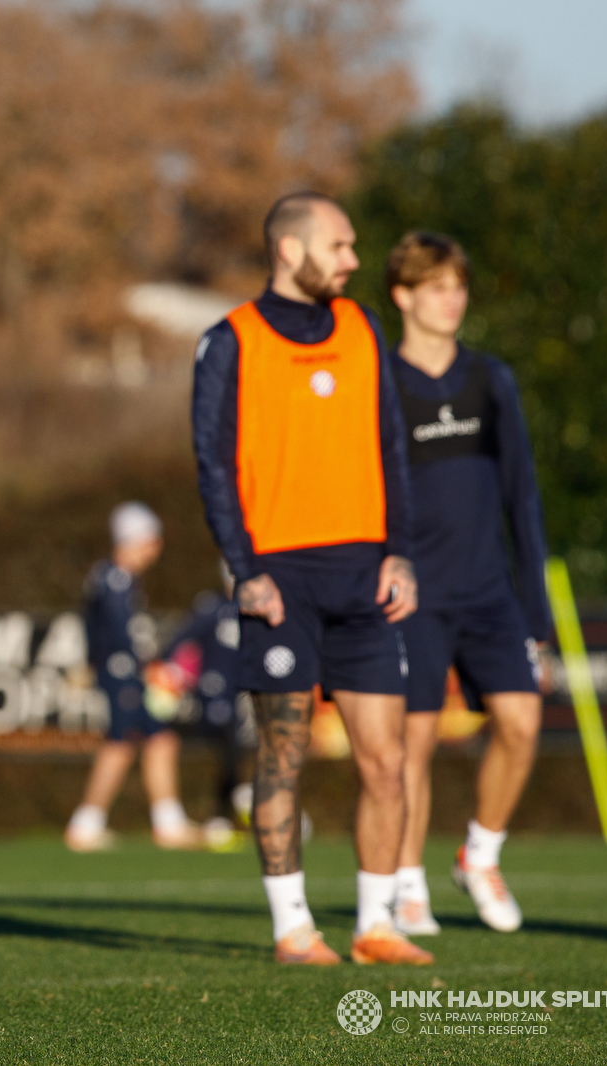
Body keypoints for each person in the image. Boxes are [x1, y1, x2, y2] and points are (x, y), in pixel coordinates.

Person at [192, 191, 433, 966]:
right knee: (282, 757)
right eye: (341, 245)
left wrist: (398, 551)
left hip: (365, 574)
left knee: (387, 761)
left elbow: (392, 444)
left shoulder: (363, 326)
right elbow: (214, 466)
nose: (354, 260)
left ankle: (377, 924)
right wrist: (245, 569)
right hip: (280, 582)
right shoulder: (231, 340)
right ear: (292, 250)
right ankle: (294, 928)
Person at [384, 232, 550, 936]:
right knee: (413, 742)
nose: (453, 299)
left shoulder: (491, 380)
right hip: (417, 600)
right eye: (437, 287)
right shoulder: (382, 383)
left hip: (491, 596)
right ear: (404, 296)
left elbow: (523, 497)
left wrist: (535, 612)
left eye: (458, 286)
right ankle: (407, 881)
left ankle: (478, 855)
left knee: (521, 722)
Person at [65, 503, 202, 851]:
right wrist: (148, 666)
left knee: (160, 740)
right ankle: (85, 825)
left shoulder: (118, 578)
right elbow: (117, 634)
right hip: (122, 674)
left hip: (128, 673)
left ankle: (167, 823)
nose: (155, 551)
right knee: (120, 743)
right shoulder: (113, 578)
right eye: (151, 542)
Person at [147, 567, 251, 852]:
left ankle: (226, 813)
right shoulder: (213, 607)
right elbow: (179, 642)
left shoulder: (254, 609)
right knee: (229, 745)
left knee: (238, 750)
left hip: (238, 696)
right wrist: (173, 674)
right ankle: (232, 806)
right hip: (211, 695)